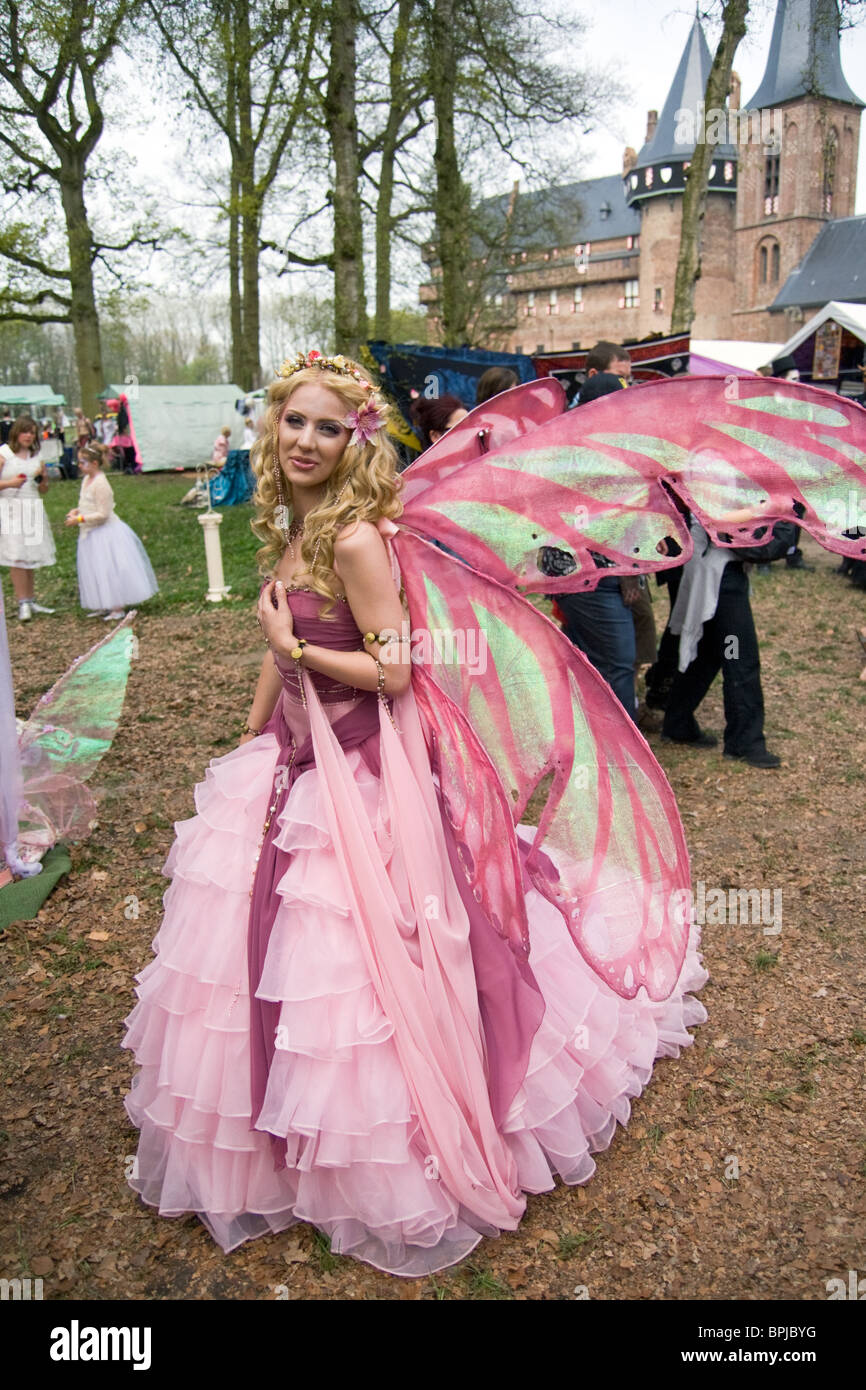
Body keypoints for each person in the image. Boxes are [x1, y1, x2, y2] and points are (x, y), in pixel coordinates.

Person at [122, 351, 706, 1276]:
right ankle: (282, 1145)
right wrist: (249, 735)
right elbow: (278, 649)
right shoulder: (294, 523)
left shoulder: (357, 539)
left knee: (375, 957)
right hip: (290, 761)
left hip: (360, 769)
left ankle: (390, 1149)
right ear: (273, 428)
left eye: (327, 426)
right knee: (266, 957)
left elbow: (395, 670)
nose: (306, 441)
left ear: (355, 441)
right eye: (294, 421)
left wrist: (295, 651)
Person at [660, 517, 797, 769]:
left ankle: (678, 721)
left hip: (712, 569)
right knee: (737, 655)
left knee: (708, 650)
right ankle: (743, 741)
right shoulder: (731, 481)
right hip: (721, 578)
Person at [65, 442, 158, 621]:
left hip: (105, 533)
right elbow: (86, 503)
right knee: (93, 569)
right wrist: (76, 511)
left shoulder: (101, 483)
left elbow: (103, 513)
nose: (80, 466)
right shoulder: (86, 480)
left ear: (95, 464)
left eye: (83, 462)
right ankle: (101, 603)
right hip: (90, 533)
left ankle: (117, 606)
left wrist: (80, 519)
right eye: (79, 462)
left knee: (108, 569)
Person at [0, 415, 56, 621]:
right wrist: (10, 483)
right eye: (25, 431)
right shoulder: (4, 453)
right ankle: (22, 600)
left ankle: (31, 599)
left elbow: (43, 489)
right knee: (17, 555)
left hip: (32, 506)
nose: (28, 436)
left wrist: (44, 480)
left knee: (30, 553)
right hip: (11, 508)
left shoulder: (36, 455)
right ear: (16, 433)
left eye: (32, 432)